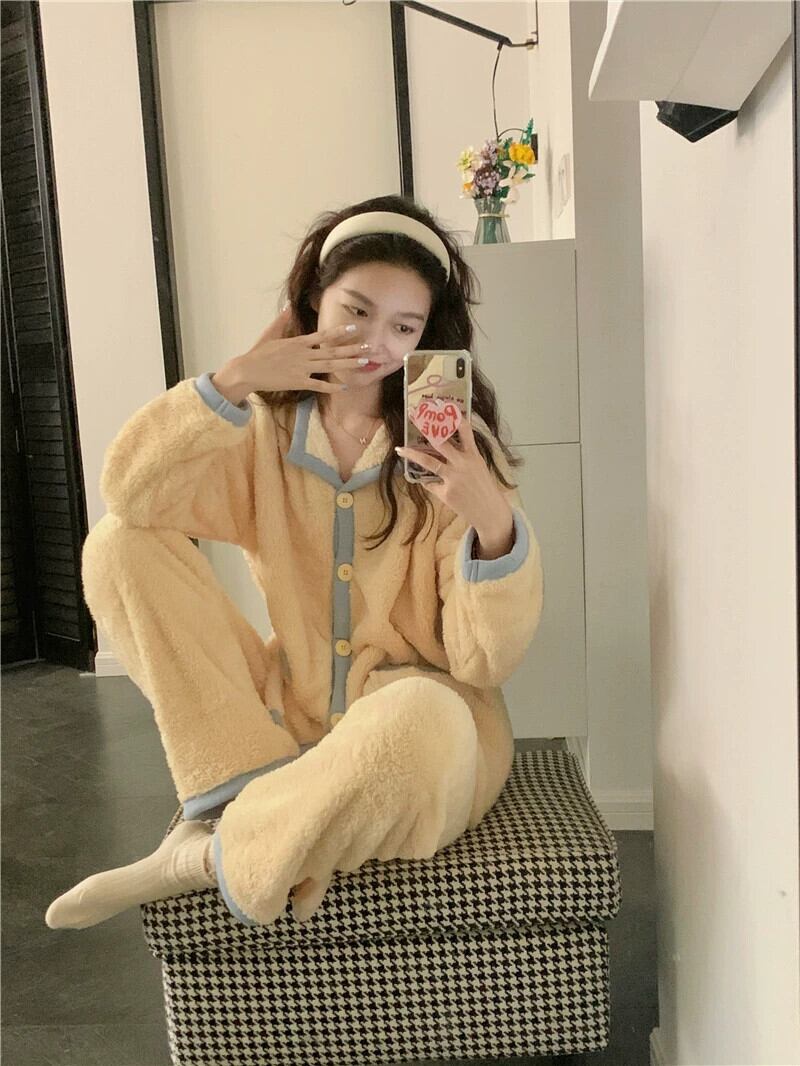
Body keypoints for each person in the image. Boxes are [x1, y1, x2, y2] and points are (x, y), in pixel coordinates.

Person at [44, 194, 544, 931]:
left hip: (418, 729)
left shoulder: (453, 449)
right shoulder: (266, 430)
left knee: (425, 715)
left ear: (426, 335)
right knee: (117, 544)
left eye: (404, 327)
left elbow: (483, 661)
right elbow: (132, 494)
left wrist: (492, 521)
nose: (375, 344)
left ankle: (202, 856)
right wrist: (233, 380)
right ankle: (252, 790)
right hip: (291, 712)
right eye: (356, 312)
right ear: (313, 298)